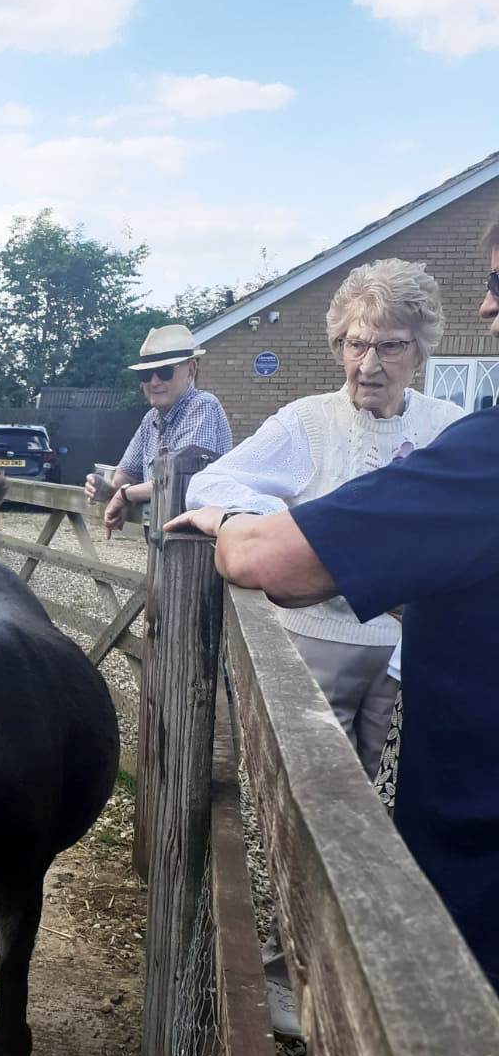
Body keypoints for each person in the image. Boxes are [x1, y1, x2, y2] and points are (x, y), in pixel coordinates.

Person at [166, 235, 499, 1056]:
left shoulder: (469, 449)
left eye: (496, 286)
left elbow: (262, 555)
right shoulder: (325, 421)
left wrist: (224, 525)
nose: (481, 305)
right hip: (346, 686)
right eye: (354, 341)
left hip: (473, 850)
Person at [185, 259, 461, 780]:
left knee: (393, 794)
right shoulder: (306, 421)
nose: (368, 364)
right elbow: (210, 482)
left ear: (420, 351)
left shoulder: (446, 426)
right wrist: (290, 528)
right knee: (315, 789)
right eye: (355, 344)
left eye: (390, 345)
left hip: (410, 651)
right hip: (315, 644)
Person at [84, 324, 232, 538]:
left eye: (164, 371)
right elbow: (126, 474)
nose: (154, 381)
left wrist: (125, 495)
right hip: (167, 545)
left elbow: (180, 483)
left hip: (198, 548)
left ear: (191, 370)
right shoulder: (150, 419)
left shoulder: (202, 407)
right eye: (145, 374)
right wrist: (106, 488)